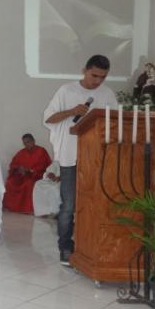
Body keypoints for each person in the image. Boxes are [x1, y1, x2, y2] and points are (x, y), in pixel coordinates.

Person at [44, 55, 118, 266]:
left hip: (98, 158)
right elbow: (48, 118)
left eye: (102, 77)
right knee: (69, 205)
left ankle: (90, 245)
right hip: (71, 157)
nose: (97, 81)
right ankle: (65, 248)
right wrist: (72, 111)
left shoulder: (107, 94)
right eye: (94, 75)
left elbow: (115, 123)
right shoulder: (67, 91)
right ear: (84, 70)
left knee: (96, 204)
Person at [2, 134, 51, 214]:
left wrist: (29, 171)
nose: (27, 145)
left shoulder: (41, 151)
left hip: (35, 176)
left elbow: (44, 166)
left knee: (28, 184)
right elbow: (13, 164)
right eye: (24, 143)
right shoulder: (21, 152)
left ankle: (27, 209)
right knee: (10, 183)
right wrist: (18, 168)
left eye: (28, 142)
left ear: (33, 141)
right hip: (21, 176)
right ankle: (10, 207)